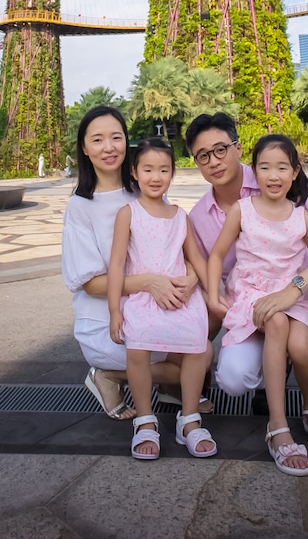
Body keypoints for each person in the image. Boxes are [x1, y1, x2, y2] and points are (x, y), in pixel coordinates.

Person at [186, 111, 308, 451]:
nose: (214, 161)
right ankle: (273, 374)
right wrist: (210, 296)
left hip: (303, 299)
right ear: (196, 162)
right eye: (203, 155)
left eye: (221, 149)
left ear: (237, 148)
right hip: (252, 306)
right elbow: (202, 264)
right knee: (233, 380)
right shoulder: (201, 217)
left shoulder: (277, 174)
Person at [207, 134, 308, 475]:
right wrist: (211, 291)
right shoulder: (242, 210)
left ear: (295, 173)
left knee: (301, 346)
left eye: (282, 167)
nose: (273, 175)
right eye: (264, 167)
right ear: (254, 172)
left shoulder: (301, 215)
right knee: (277, 324)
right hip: (251, 293)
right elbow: (218, 254)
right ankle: (277, 426)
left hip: (290, 295)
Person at [62, 105, 203, 419]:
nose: (109, 147)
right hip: (109, 322)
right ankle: (110, 375)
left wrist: (192, 276)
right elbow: (90, 283)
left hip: (153, 308)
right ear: (84, 148)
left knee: (202, 351)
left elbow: (175, 246)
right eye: (97, 140)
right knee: (192, 361)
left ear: (127, 141)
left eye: (116, 137)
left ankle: (169, 389)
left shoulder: (144, 188)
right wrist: (148, 282)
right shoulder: (81, 207)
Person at [107, 137, 216, 460]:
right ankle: (145, 419)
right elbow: (115, 265)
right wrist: (115, 310)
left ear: (173, 173)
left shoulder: (180, 215)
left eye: (164, 170)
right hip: (143, 297)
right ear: (135, 172)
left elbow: (196, 257)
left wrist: (209, 291)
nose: (156, 177)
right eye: (148, 169)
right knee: (137, 345)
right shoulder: (128, 213)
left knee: (198, 343)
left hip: (180, 296)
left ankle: (190, 418)